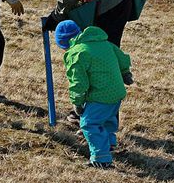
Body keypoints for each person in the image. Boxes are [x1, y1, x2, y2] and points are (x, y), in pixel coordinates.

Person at [19, 0, 134, 122]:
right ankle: (93, 113)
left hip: (110, 4)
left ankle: (99, 118)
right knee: (99, 55)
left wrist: (56, 17)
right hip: (110, 0)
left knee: (99, 58)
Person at [54, 20, 133, 169]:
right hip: (116, 92)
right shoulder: (102, 42)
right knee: (107, 119)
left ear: (64, 43)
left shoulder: (76, 54)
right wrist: (125, 72)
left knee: (90, 124)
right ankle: (108, 143)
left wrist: (77, 102)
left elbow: (78, 83)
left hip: (99, 96)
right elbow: (121, 57)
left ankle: (101, 159)